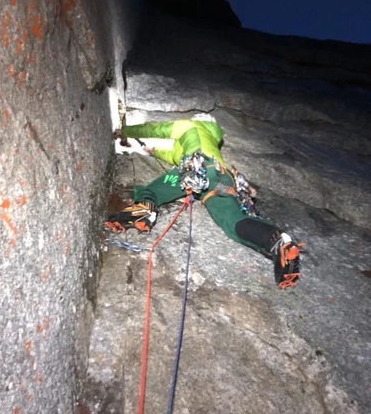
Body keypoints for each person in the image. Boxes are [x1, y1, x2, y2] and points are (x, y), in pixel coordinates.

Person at [106, 114, 303, 289]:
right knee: (233, 221)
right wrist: (154, 151)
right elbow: (173, 155)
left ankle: (145, 209)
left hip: (196, 169)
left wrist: (125, 131)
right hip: (222, 181)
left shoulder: (188, 126)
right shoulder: (213, 140)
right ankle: (276, 240)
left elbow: (153, 129)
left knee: (152, 191)